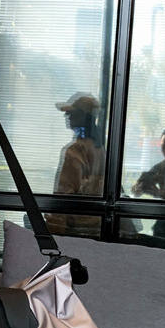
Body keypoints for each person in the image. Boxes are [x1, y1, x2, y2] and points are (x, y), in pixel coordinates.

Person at [46, 92, 105, 236]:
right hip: (96, 226)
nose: (67, 116)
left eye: (72, 113)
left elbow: (65, 192)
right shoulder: (101, 148)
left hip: (75, 228)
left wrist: (54, 228)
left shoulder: (75, 151)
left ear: (83, 117)